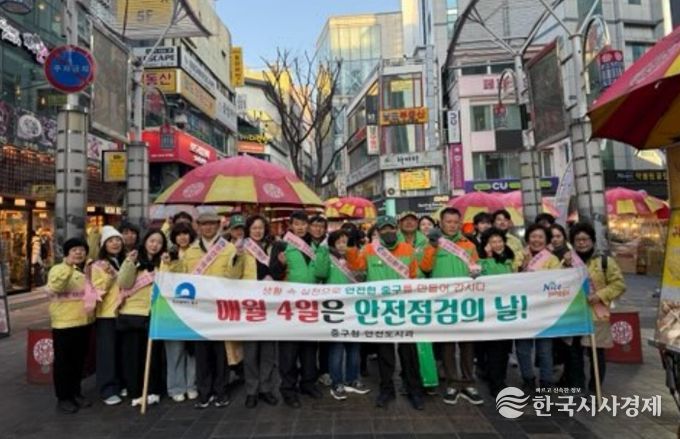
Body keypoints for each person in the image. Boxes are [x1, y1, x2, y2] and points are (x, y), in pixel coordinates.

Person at [162, 211, 245, 409]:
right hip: (199, 310)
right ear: (198, 227)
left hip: (220, 308)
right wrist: (171, 262)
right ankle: (204, 393)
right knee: (202, 353)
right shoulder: (191, 251)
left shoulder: (229, 248)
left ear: (218, 226)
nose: (208, 227)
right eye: (204, 224)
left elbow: (234, 276)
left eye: (212, 224)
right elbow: (181, 277)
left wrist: (238, 258)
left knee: (220, 353)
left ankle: (221, 391)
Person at [346, 216, 424, 410]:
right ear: (378, 232)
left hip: (405, 308)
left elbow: (415, 276)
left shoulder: (408, 250)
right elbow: (356, 268)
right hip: (381, 310)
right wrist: (351, 246)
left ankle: (414, 390)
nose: (388, 232)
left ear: (396, 229)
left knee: (409, 354)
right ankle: (386, 389)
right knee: (384, 353)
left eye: (391, 228)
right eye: (384, 229)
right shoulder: (369, 250)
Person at [421, 207, 483, 406]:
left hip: (465, 300)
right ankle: (452, 383)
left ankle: (468, 383)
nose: (452, 225)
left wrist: (477, 271)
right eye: (448, 222)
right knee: (447, 345)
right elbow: (425, 267)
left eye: (456, 222)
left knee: (467, 344)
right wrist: (432, 246)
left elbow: (477, 267)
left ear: (460, 223)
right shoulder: (432, 243)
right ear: (441, 223)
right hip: (444, 301)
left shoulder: (469, 245)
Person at [563, 222, 626, 393]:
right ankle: (577, 387)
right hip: (575, 314)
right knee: (574, 354)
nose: (582, 243)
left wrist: (599, 295)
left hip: (597, 313)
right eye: (578, 240)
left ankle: (594, 388)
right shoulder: (568, 261)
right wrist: (565, 266)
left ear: (592, 241)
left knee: (596, 354)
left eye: (585, 239)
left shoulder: (605, 262)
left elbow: (619, 284)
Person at [269, 211, 322, 408]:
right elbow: (274, 274)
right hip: (289, 307)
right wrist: (281, 264)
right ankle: (288, 389)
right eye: (296, 224)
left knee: (309, 348)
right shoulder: (281, 245)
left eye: (303, 223)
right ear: (290, 225)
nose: (300, 227)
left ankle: (308, 383)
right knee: (289, 351)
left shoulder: (315, 245)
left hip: (311, 305)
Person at [315, 230, 370, 401]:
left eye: (345, 242)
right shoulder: (327, 256)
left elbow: (363, 276)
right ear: (332, 243)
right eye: (338, 242)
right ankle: (337, 382)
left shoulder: (355, 256)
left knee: (354, 347)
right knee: (336, 348)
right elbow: (320, 273)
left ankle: (353, 379)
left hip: (353, 307)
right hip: (335, 308)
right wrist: (322, 251)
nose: (342, 245)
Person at [117, 229, 167, 407]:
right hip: (133, 313)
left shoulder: (163, 262)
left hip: (155, 313)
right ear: (145, 241)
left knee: (153, 355)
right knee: (132, 356)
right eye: (152, 241)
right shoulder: (134, 259)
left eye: (159, 242)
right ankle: (136, 391)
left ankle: (152, 389)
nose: (155, 245)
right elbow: (124, 283)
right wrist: (129, 262)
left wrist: (168, 264)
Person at [46, 237, 95, 414]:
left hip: (84, 322)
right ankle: (63, 398)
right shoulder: (58, 269)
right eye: (74, 250)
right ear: (67, 253)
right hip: (64, 324)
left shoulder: (84, 271)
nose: (79, 253)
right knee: (63, 363)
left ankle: (76, 393)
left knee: (78, 361)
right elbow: (57, 287)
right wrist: (68, 267)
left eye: (82, 250)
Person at [516, 224, 562, 392]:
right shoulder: (519, 255)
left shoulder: (552, 259)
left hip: (544, 311)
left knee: (544, 349)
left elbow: (556, 282)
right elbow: (510, 279)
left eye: (540, 237)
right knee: (522, 348)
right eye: (533, 236)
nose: (536, 240)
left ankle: (546, 382)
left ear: (546, 240)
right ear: (528, 238)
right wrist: (523, 266)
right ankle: (528, 379)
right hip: (523, 309)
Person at [241, 215, 279, 409]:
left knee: (268, 351)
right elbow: (233, 274)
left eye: (261, 228)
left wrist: (280, 264)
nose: (258, 231)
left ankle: (266, 388)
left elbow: (279, 272)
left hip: (270, 304)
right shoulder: (241, 248)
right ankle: (251, 390)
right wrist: (236, 256)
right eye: (254, 228)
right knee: (250, 351)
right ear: (248, 230)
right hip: (249, 305)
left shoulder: (273, 247)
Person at [478, 228, 516, 397]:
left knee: (504, 349)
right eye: (493, 241)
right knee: (494, 350)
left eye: (500, 241)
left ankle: (499, 378)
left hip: (507, 311)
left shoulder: (509, 260)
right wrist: (488, 257)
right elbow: (490, 278)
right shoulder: (482, 261)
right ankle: (496, 383)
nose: (497, 244)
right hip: (490, 312)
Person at [90, 226, 125, 406]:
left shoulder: (123, 261)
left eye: (118, 240)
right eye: (111, 241)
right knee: (107, 353)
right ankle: (107, 389)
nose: (115, 243)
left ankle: (119, 384)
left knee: (120, 351)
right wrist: (110, 276)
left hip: (123, 312)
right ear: (104, 245)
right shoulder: (98, 265)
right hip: (106, 314)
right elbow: (97, 290)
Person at [164, 223, 198, 403]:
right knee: (175, 350)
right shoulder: (167, 255)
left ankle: (192, 385)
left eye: (186, 233)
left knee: (192, 351)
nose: (182, 237)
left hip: (194, 306)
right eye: (178, 234)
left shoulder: (199, 253)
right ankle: (176, 387)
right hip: (172, 308)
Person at [308, 214, 331, 387]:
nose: (318, 229)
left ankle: (324, 370)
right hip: (306, 297)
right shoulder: (301, 244)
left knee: (325, 337)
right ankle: (309, 371)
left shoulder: (329, 245)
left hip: (326, 296)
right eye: (315, 225)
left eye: (321, 226)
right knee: (309, 338)